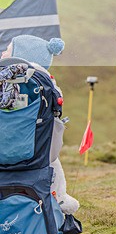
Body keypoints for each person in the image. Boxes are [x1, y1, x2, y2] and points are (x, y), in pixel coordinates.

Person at [1, 35, 79, 215]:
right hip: (35, 155)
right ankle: (60, 200)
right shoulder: (45, 83)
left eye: (9, 48)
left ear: (22, 54)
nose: (4, 52)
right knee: (53, 163)